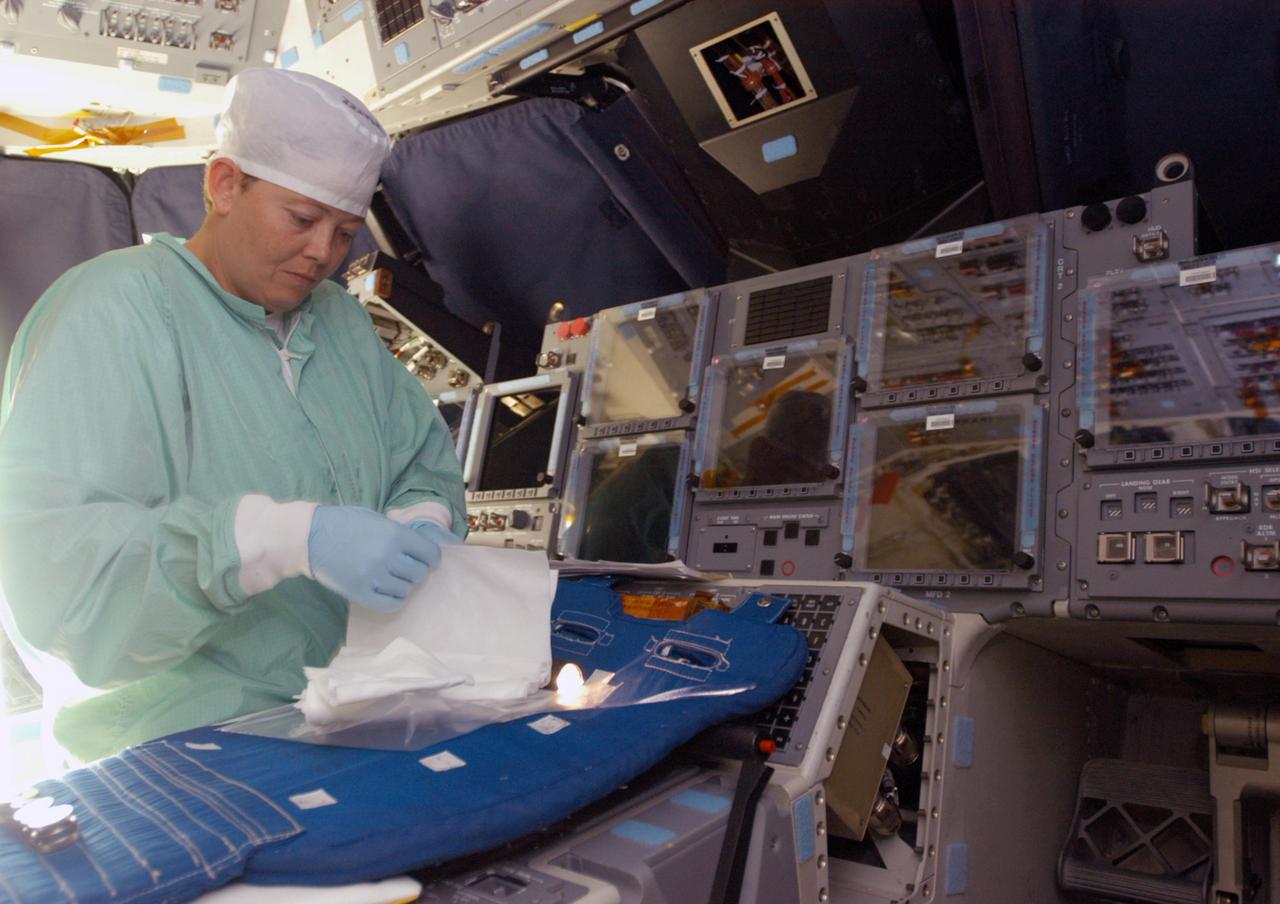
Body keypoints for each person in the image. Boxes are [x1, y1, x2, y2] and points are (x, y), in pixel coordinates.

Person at [0, 68, 466, 763]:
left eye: (344, 232)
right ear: (224, 185)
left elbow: (416, 459)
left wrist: (421, 519)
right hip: (172, 750)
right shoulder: (110, 310)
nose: (324, 254)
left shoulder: (336, 319)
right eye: (302, 219)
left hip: (348, 715)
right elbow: (57, 580)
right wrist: (269, 538)